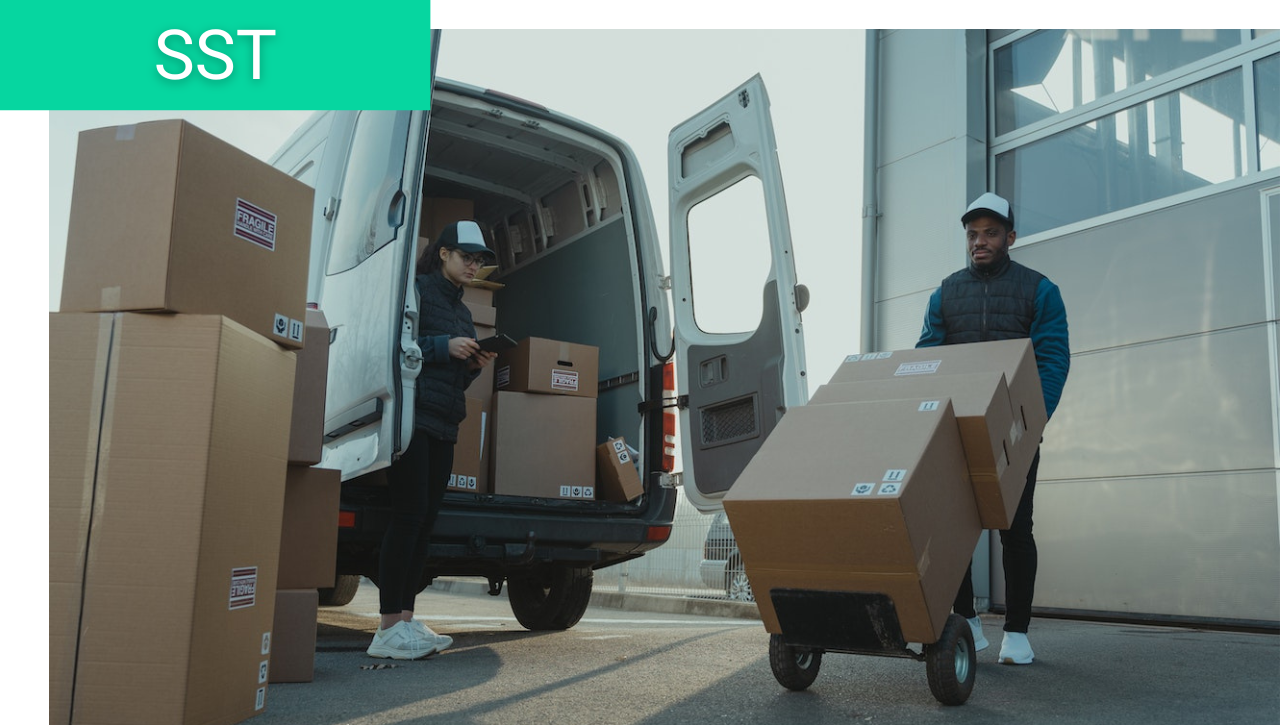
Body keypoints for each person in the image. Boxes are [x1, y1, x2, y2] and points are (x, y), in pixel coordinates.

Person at [916, 192, 1069, 665]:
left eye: (990, 233)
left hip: (1014, 433)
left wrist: (1033, 422)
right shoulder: (946, 293)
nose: (979, 242)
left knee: (1015, 529)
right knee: (953, 528)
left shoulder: (1039, 290)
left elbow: (1052, 359)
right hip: (955, 431)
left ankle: (1017, 634)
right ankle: (968, 620)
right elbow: (928, 356)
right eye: (972, 234)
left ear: (1010, 237)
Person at [367, 220, 498, 660]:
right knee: (407, 516)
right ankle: (387, 629)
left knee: (425, 520)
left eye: (478, 261)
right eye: (466, 257)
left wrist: (473, 365)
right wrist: (444, 347)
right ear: (443, 253)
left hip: (445, 422)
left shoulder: (463, 312)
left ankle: (405, 621)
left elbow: (454, 380)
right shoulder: (417, 292)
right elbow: (392, 346)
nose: (473, 266)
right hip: (411, 417)